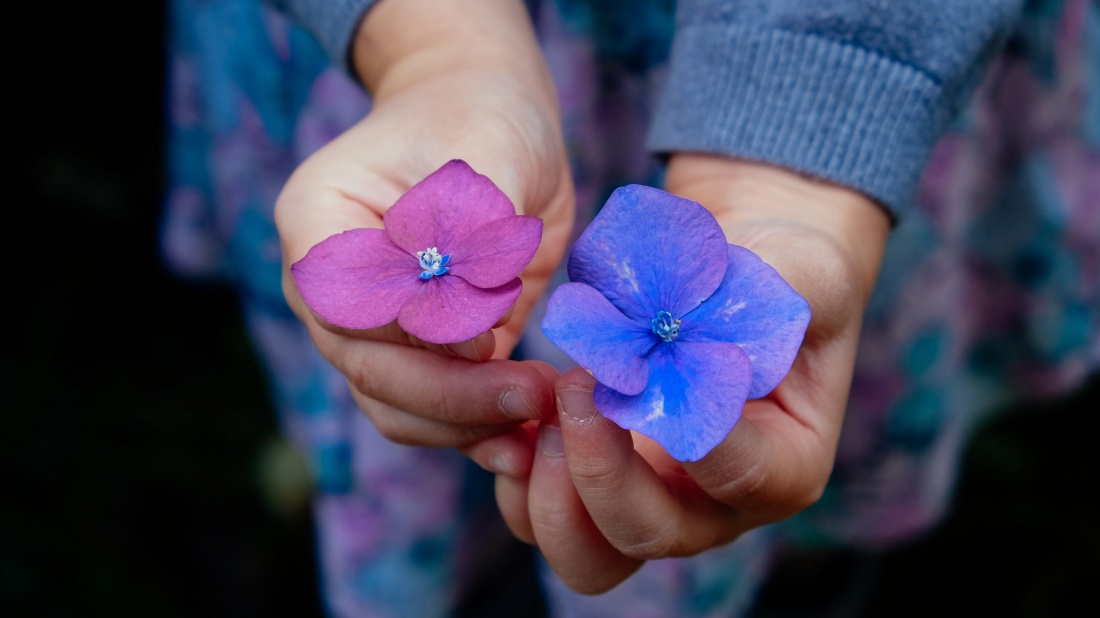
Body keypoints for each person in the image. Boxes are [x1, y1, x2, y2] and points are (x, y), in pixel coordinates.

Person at [163, 0, 1100, 615]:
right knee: (430, 416)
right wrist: (432, 44)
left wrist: (805, 129)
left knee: (759, 487)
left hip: (859, 76)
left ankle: (799, 573)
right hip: (402, 48)